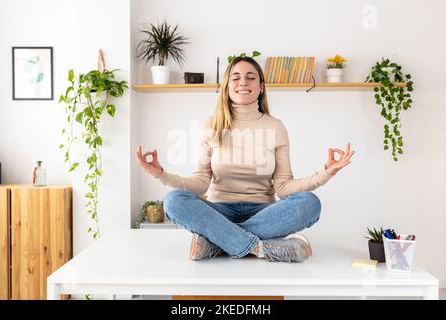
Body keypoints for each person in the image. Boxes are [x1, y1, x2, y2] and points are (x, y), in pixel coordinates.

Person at [136, 56, 355, 263]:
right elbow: (200, 182)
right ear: (227, 86)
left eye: (251, 77)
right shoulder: (211, 125)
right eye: (236, 77)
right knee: (174, 201)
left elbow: (285, 187)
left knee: (309, 203)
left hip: (264, 212)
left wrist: (326, 172)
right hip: (219, 211)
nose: (243, 82)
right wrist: (161, 174)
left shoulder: (275, 127)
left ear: (261, 87)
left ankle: (217, 243)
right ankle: (259, 248)